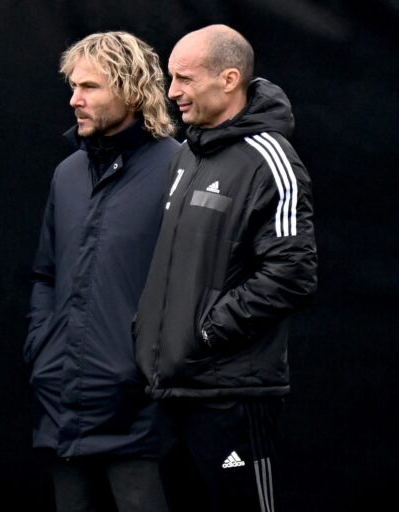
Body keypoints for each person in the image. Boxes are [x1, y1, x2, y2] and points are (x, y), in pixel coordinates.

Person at [133, 25, 318, 511]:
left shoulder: (270, 159)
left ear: (230, 78)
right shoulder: (187, 156)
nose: (172, 92)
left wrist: (207, 331)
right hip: (174, 393)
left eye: (185, 79)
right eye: (171, 79)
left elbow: (293, 273)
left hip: (231, 397)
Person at [25, 31, 179, 512]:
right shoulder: (68, 173)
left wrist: (148, 367)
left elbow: (194, 285)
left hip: (140, 412)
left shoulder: (180, 168)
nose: (75, 99)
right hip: (64, 402)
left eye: (89, 87)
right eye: (73, 86)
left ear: (131, 91)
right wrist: (42, 349)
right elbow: (45, 274)